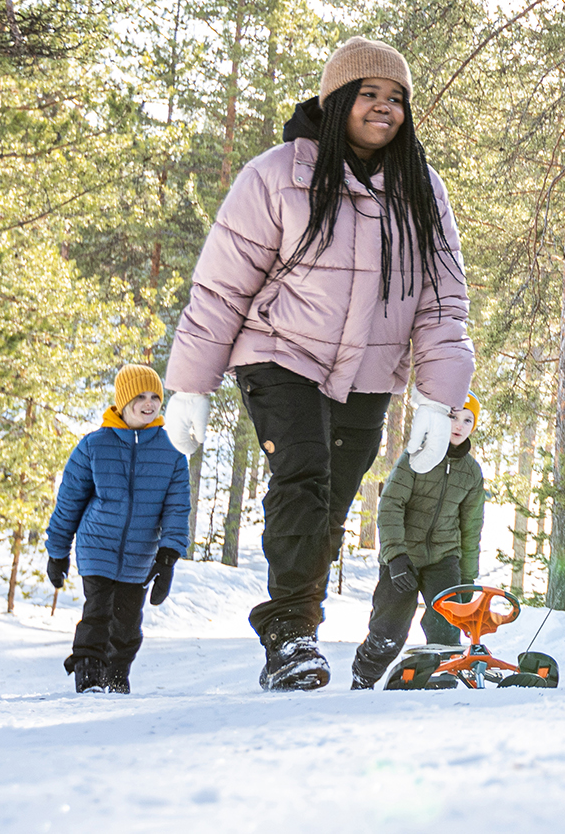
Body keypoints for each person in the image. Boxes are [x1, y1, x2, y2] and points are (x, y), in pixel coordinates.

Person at [162, 37, 476, 691]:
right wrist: (190, 385)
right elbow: (221, 289)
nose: (384, 107)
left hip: (370, 372)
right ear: (336, 101)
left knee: (330, 503)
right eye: (369, 94)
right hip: (280, 352)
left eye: (396, 98)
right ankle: (291, 637)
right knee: (302, 477)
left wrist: (438, 398)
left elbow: (442, 301)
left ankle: (298, 617)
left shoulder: (422, 189)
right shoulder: (278, 175)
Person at [44, 363, 190, 694]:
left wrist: (168, 556)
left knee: (127, 626)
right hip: (97, 546)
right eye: (140, 396)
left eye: (155, 396)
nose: (149, 403)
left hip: (140, 553)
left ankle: (116, 678)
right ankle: (89, 677)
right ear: (123, 401)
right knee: (98, 613)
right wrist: (57, 552)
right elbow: (69, 502)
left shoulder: (172, 451)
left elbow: (177, 508)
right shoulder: (94, 445)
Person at [350, 394, 486, 689]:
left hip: (444, 557)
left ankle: (442, 678)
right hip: (404, 556)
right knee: (390, 628)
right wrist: (395, 555)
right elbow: (390, 505)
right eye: (454, 417)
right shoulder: (416, 457)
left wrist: (467, 578)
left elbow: (471, 528)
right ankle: (363, 678)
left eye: (468, 420)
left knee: (447, 627)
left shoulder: (471, 473)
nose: (459, 426)